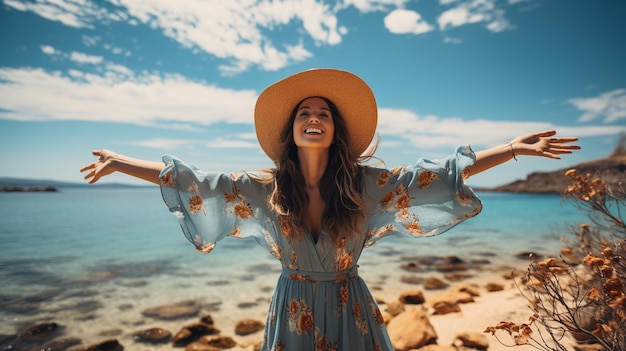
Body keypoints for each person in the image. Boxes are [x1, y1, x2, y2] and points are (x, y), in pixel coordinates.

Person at [80, 68, 580, 350]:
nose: (314, 118)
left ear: (334, 130)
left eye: (323, 114)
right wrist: (123, 163)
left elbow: (442, 174)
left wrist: (512, 148)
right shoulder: (264, 188)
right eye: (305, 113)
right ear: (292, 130)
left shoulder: (366, 186)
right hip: (292, 312)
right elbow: (196, 184)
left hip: (350, 308)